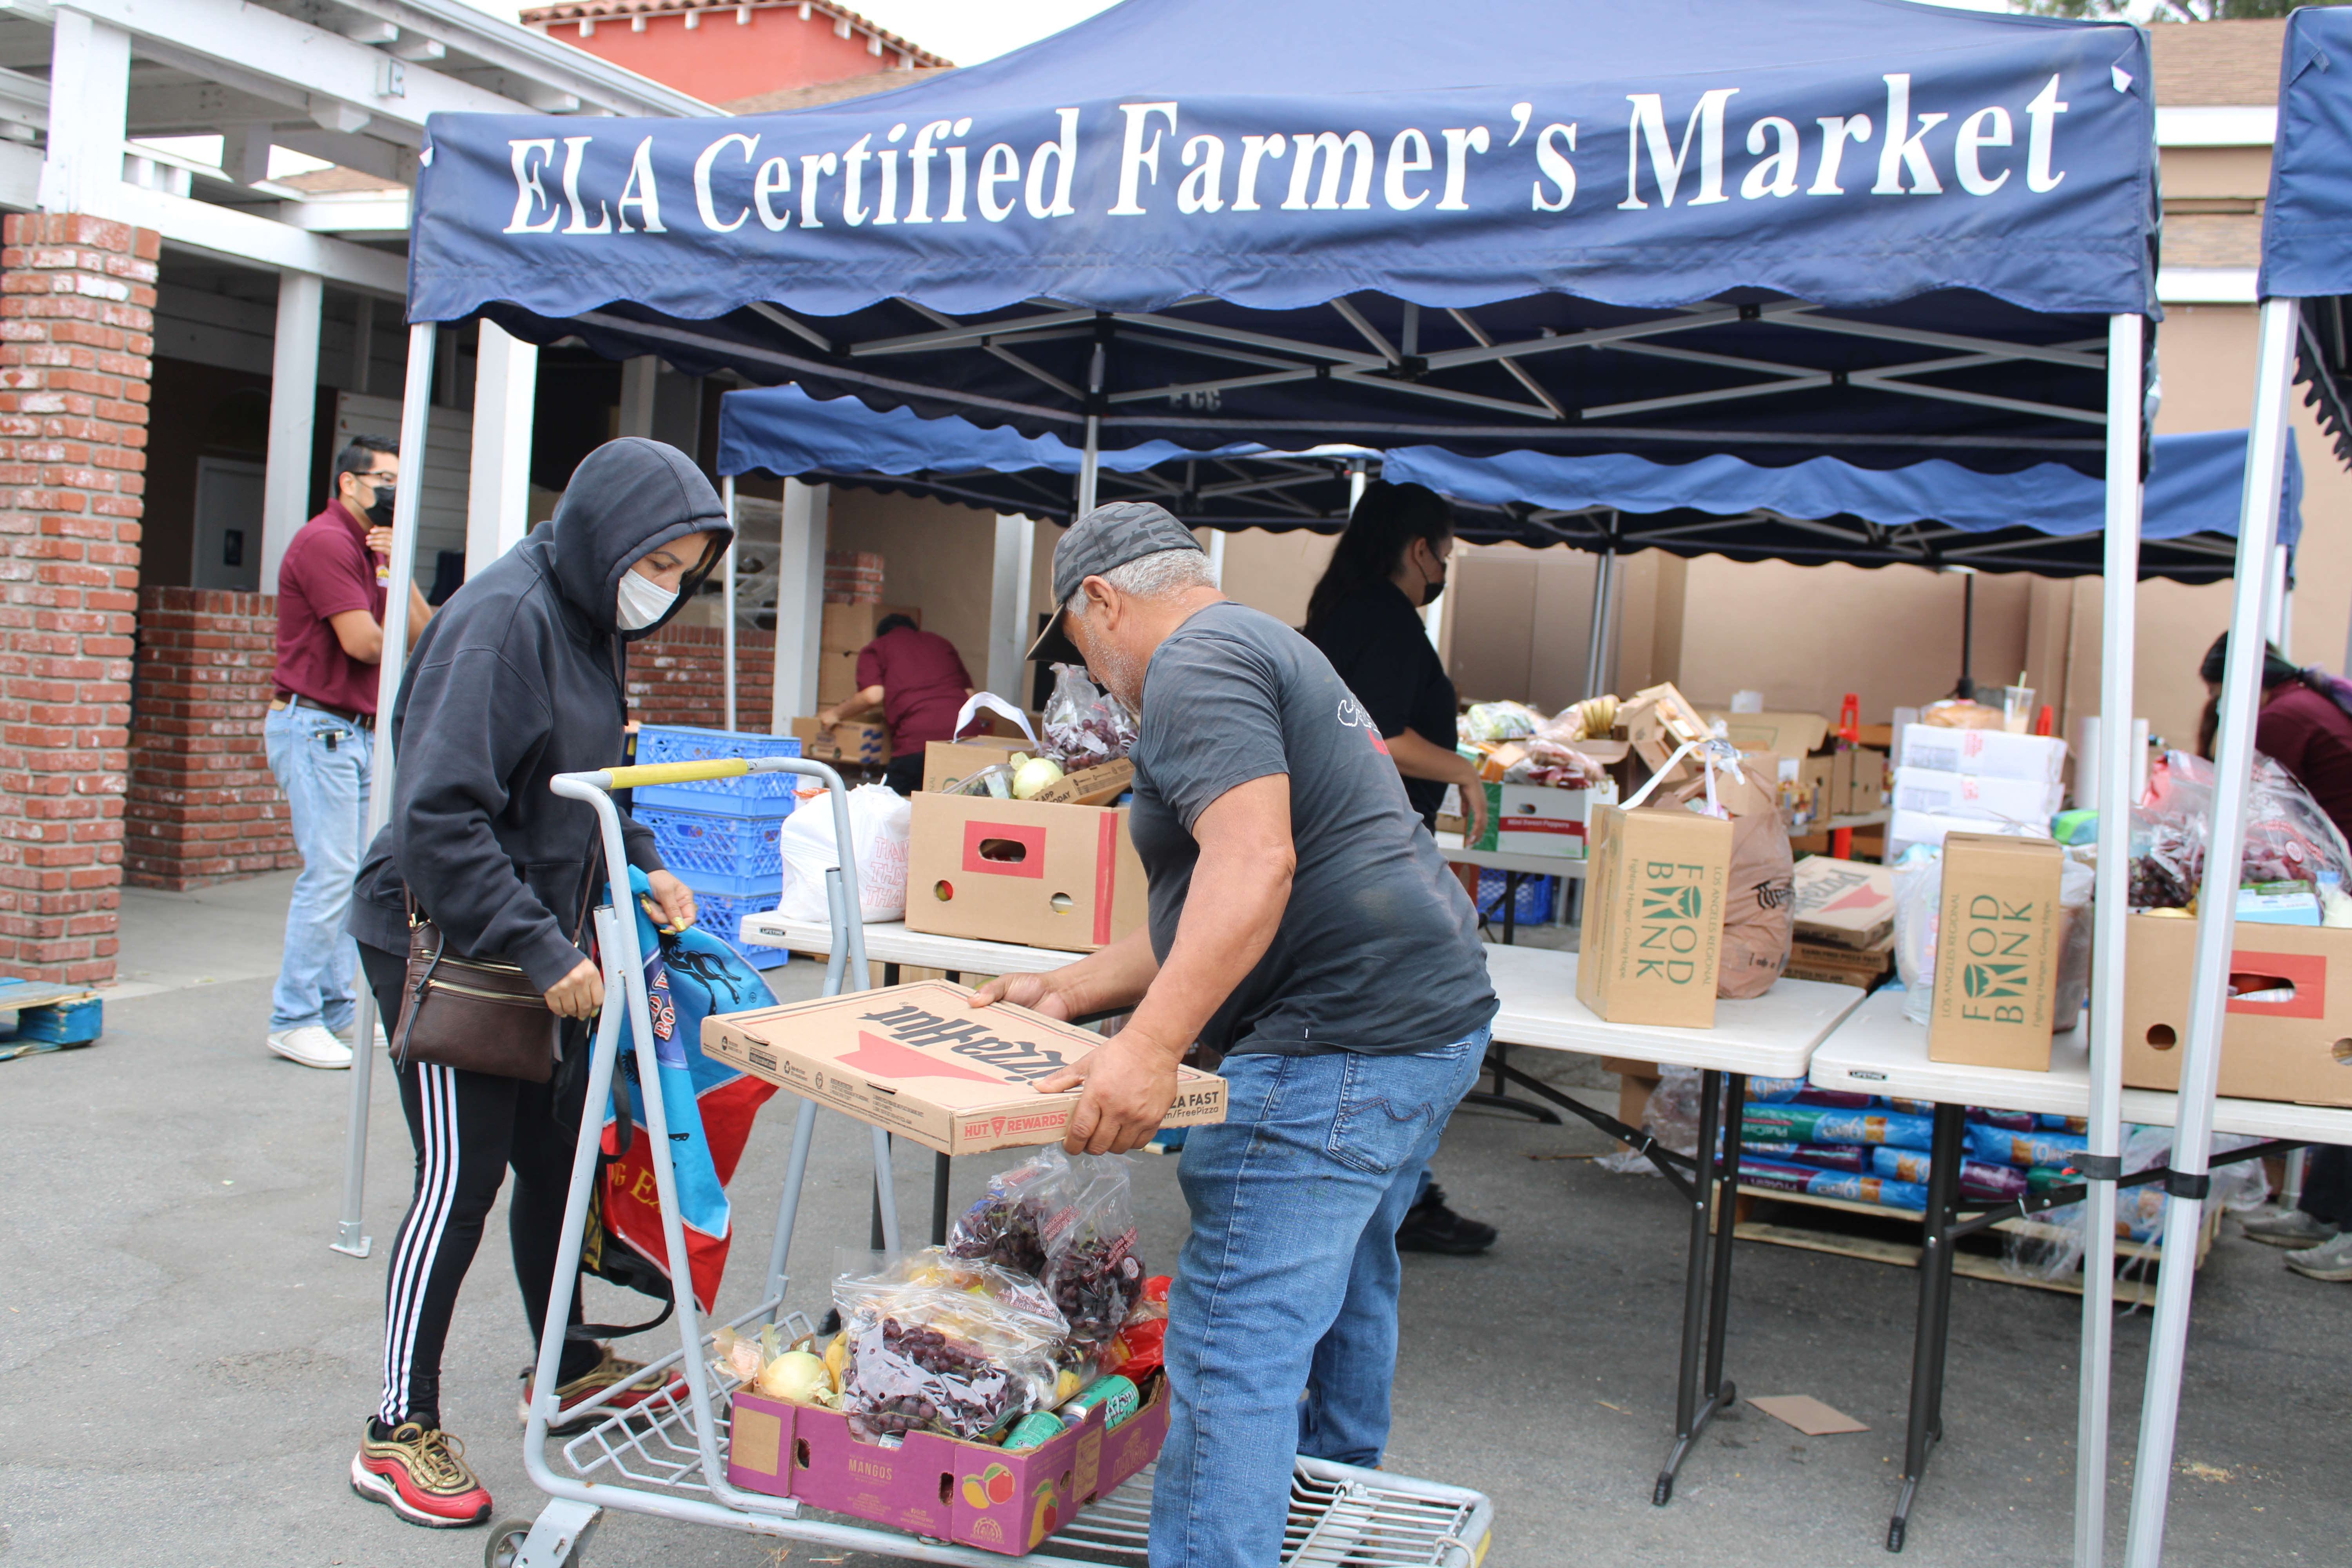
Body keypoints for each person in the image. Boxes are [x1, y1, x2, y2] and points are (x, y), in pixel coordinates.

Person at [967, 502, 1497, 1567]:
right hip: (1425, 1017)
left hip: (1342, 1039)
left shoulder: (1195, 666)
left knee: (1232, 1348)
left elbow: (1253, 871)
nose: (1090, 673)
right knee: (1346, 1283)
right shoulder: (1259, 643)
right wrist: (1072, 992)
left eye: (1077, 643)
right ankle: (1330, 1507)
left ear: (1103, 602)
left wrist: (1150, 1050)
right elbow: (1211, 907)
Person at [342, 438, 726, 1528]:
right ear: (612, 538)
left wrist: (639, 860)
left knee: (557, 1161)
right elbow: (438, 818)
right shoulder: (502, 623)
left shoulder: (589, 620)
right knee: (461, 1179)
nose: (669, 589)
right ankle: (393, 1428)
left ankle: (558, 1366)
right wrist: (541, 947)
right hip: (444, 934)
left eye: (688, 572)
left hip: (531, 929)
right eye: (664, 564)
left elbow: (577, 783)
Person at [1303, 480, 1500, 1256]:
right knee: (1412, 1025)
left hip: (1349, 852)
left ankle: (1391, 1186)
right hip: (1373, 858)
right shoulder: (1382, 619)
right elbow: (1379, 731)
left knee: (1373, 1026)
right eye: (1443, 555)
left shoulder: (1344, 612)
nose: (1442, 570)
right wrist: (1466, 770)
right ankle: (1396, 1190)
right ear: (1419, 550)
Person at [263, 434, 434, 1070]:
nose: (393, 488)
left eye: (400, 477)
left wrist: (404, 563)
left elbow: (426, 633)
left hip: (354, 731)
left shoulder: (377, 549)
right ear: (349, 484)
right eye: (383, 478)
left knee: (353, 874)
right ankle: (294, 1016)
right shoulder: (327, 542)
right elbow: (366, 644)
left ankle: (335, 1013)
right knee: (332, 873)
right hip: (317, 727)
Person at [2199, 635, 2352, 1283]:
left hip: (2341, 897)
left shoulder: (2284, 717)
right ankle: (2322, 1211)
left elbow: (2253, 810)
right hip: (2337, 894)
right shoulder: (2302, 702)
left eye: (2217, 696)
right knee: (2340, 1065)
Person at [815, 612, 979, 794]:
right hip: (967, 736)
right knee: (961, 804)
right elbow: (970, 695)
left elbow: (873, 695)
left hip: (918, 742)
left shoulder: (878, 647)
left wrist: (834, 714)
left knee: (889, 804)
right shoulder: (941, 643)